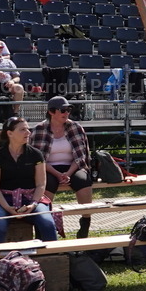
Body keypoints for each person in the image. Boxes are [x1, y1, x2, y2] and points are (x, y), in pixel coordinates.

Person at [0, 117, 59, 244]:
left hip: (31, 198)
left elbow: (41, 184)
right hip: (2, 199)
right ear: (10, 133)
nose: (28, 132)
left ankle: (53, 254)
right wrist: (7, 207)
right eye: (23, 129)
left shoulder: (36, 154)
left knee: (47, 223)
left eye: (28, 129)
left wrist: (33, 204)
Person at [28, 96, 94, 238]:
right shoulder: (39, 129)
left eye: (69, 109)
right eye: (63, 110)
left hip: (73, 167)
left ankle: (86, 221)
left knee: (84, 181)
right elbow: (37, 159)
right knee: (47, 184)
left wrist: (68, 173)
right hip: (48, 168)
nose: (67, 113)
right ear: (51, 112)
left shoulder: (75, 127)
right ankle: (43, 225)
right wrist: (58, 174)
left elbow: (81, 156)